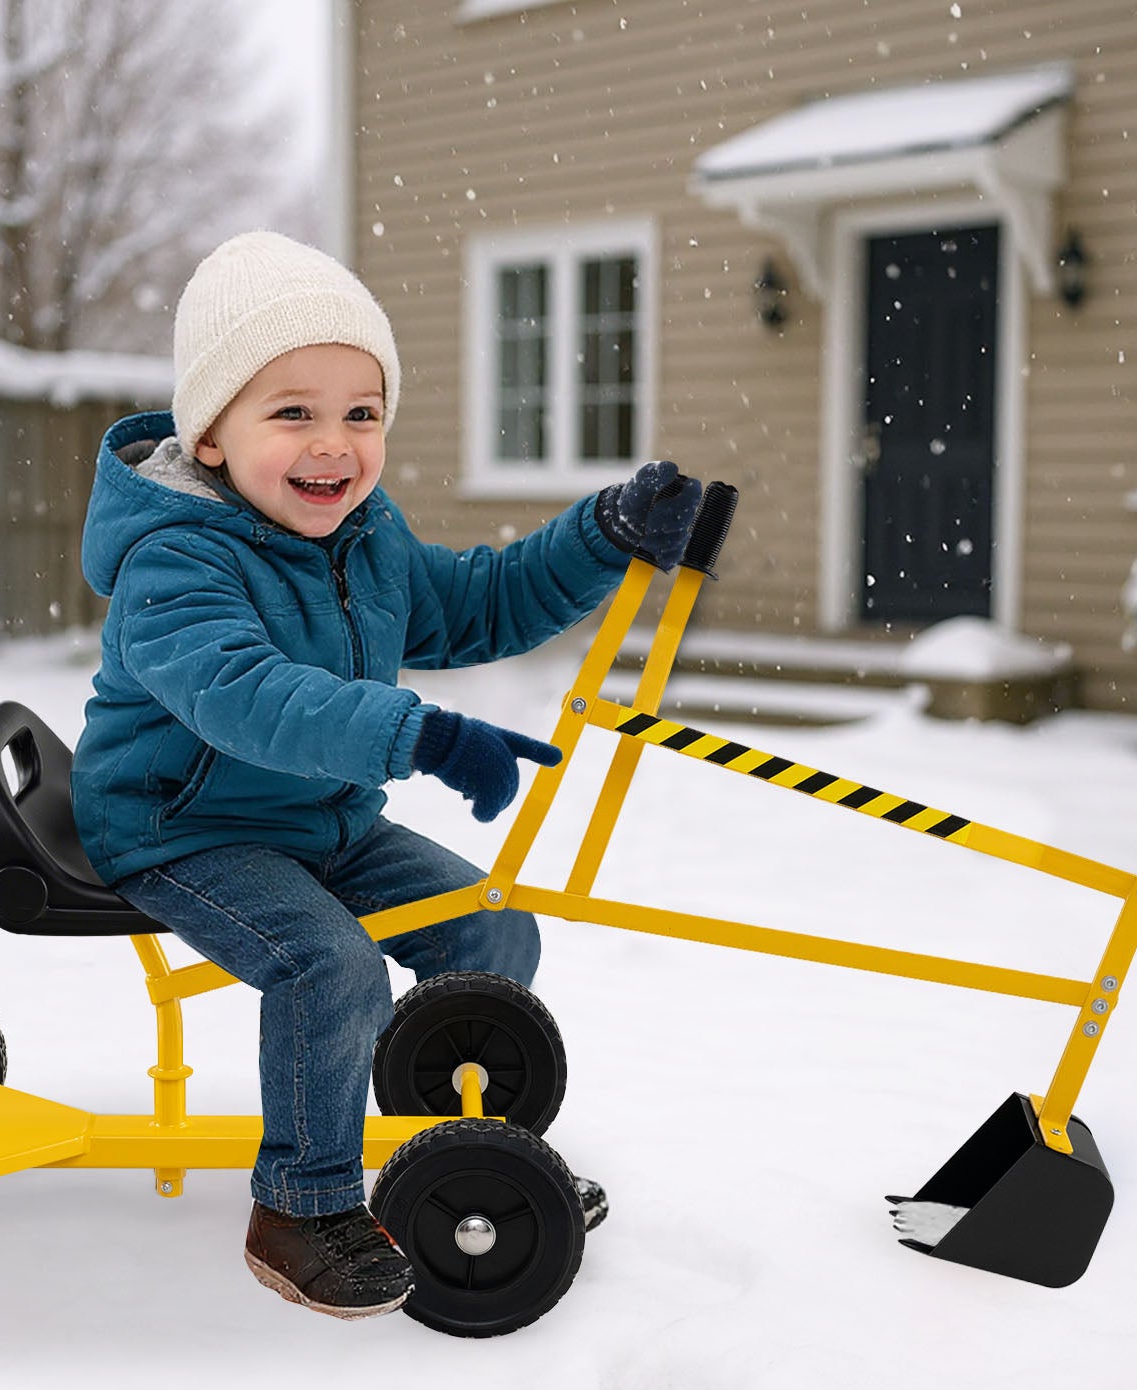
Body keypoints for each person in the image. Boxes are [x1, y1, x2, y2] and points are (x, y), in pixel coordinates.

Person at [71, 231, 702, 1320]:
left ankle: (460, 1150)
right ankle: (302, 1206)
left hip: (320, 819)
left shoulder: (363, 535)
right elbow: (247, 695)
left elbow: (477, 603)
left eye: (360, 412)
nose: (334, 444)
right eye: (292, 412)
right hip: (182, 827)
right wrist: (423, 734)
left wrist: (600, 536)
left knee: (487, 927)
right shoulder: (174, 561)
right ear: (210, 435)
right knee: (332, 968)